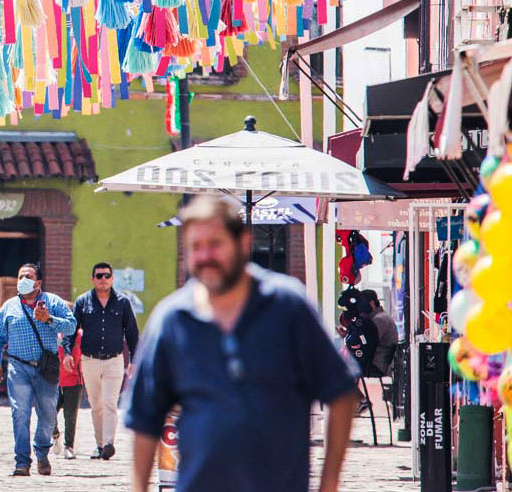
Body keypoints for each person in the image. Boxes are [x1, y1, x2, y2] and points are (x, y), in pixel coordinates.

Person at [124, 195, 359, 492]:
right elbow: (145, 419)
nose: (205, 256)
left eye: (215, 244)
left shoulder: (287, 306)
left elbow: (341, 392)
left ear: (244, 243)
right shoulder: (172, 320)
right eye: (196, 247)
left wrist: (330, 482)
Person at [0, 263, 77, 477]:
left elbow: (71, 327)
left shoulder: (53, 302)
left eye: (27, 276)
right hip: (18, 367)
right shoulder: (9, 306)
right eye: (20, 276)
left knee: (47, 414)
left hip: (46, 368)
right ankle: (22, 462)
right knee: (20, 413)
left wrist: (49, 319)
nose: (22, 280)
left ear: (38, 283)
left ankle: (42, 453)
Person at [71, 262, 139, 460]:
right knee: (96, 404)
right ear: (93, 279)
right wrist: (67, 353)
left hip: (114, 360)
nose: (103, 279)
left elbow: (132, 333)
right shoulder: (83, 301)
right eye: (99, 276)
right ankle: (99, 444)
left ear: (112, 278)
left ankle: (109, 443)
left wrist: (134, 360)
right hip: (89, 360)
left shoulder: (123, 303)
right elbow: (72, 330)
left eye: (106, 276)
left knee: (110, 401)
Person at [52, 329, 83, 459]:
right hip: (55, 381)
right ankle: (54, 435)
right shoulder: (54, 334)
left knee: (70, 416)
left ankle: (69, 446)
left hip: (74, 380)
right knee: (49, 412)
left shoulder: (80, 335)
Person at [363, 290, 398, 377]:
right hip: (379, 365)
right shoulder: (380, 317)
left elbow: (368, 342)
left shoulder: (379, 319)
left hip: (377, 366)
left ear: (371, 303)